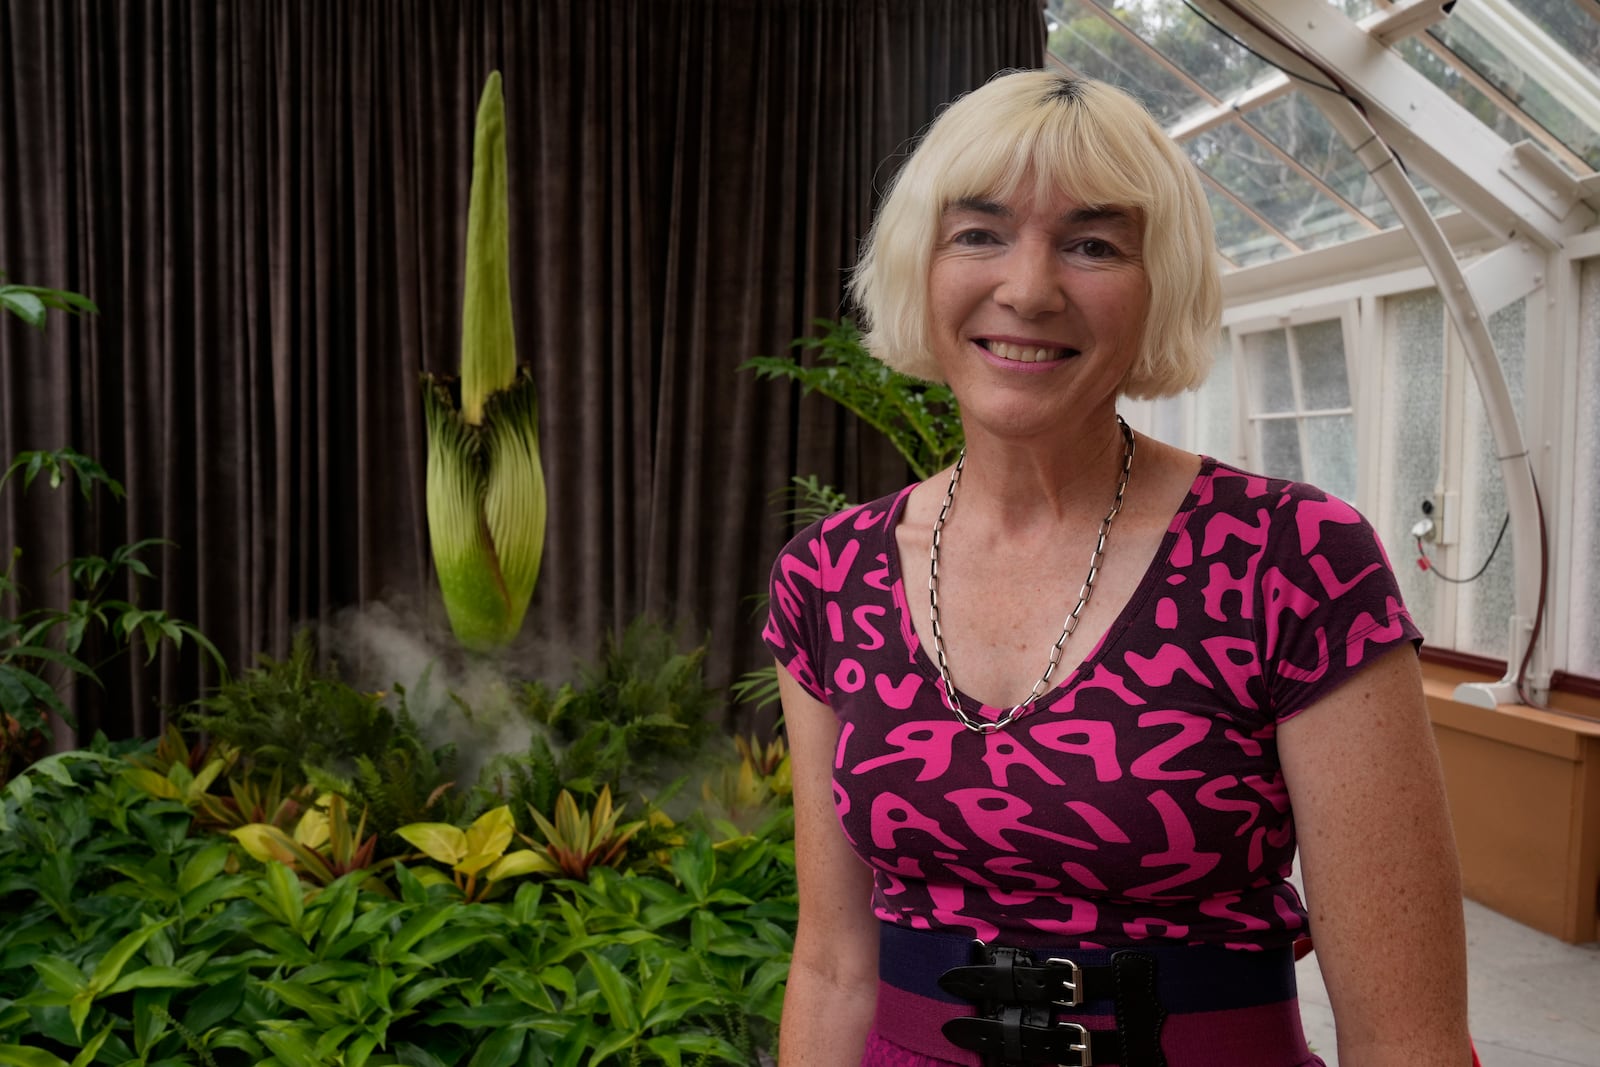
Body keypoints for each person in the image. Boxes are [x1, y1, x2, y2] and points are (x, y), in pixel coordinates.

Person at [762, 70, 1471, 1067]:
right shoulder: (829, 576)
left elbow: (1407, 1035)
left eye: (1092, 243)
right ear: (919, 264)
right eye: (979, 232)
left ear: (1158, 284)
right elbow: (835, 962)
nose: (1029, 287)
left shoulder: (1294, 559)